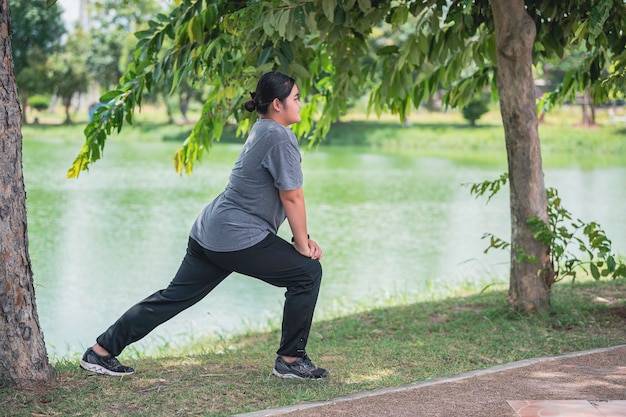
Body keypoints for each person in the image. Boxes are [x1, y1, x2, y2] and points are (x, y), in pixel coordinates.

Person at [79, 71, 328, 380]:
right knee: (307, 272)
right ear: (278, 104)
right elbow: (292, 197)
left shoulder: (263, 129)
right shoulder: (278, 137)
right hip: (236, 236)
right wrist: (302, 245)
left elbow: (279, 196)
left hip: (209, 232)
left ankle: (100, 351)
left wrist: (300, 237)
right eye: (296, 98)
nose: (301, 104)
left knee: (173, 297)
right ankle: (291, 359)